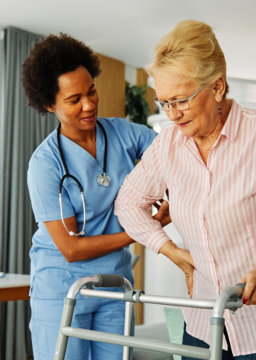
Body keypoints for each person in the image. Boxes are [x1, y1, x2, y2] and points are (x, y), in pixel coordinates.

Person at [114, 20, 256, 360]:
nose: (172, 115)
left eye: (181, 100)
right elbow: (128, 203)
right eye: (164, 103)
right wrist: (171, 251)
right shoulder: (167, 145)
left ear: (217, 87)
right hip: (204, 317)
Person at [22, 33, 169, 360]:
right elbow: (71, 248)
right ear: (50, 104)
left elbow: (173, 154)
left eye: (91, 92)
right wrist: (141, 231)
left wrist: (169, 191)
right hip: (62, 289)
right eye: (74, 100)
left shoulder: (122, 133)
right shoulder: (45, 164)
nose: (89, 104)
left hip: (115, 284)